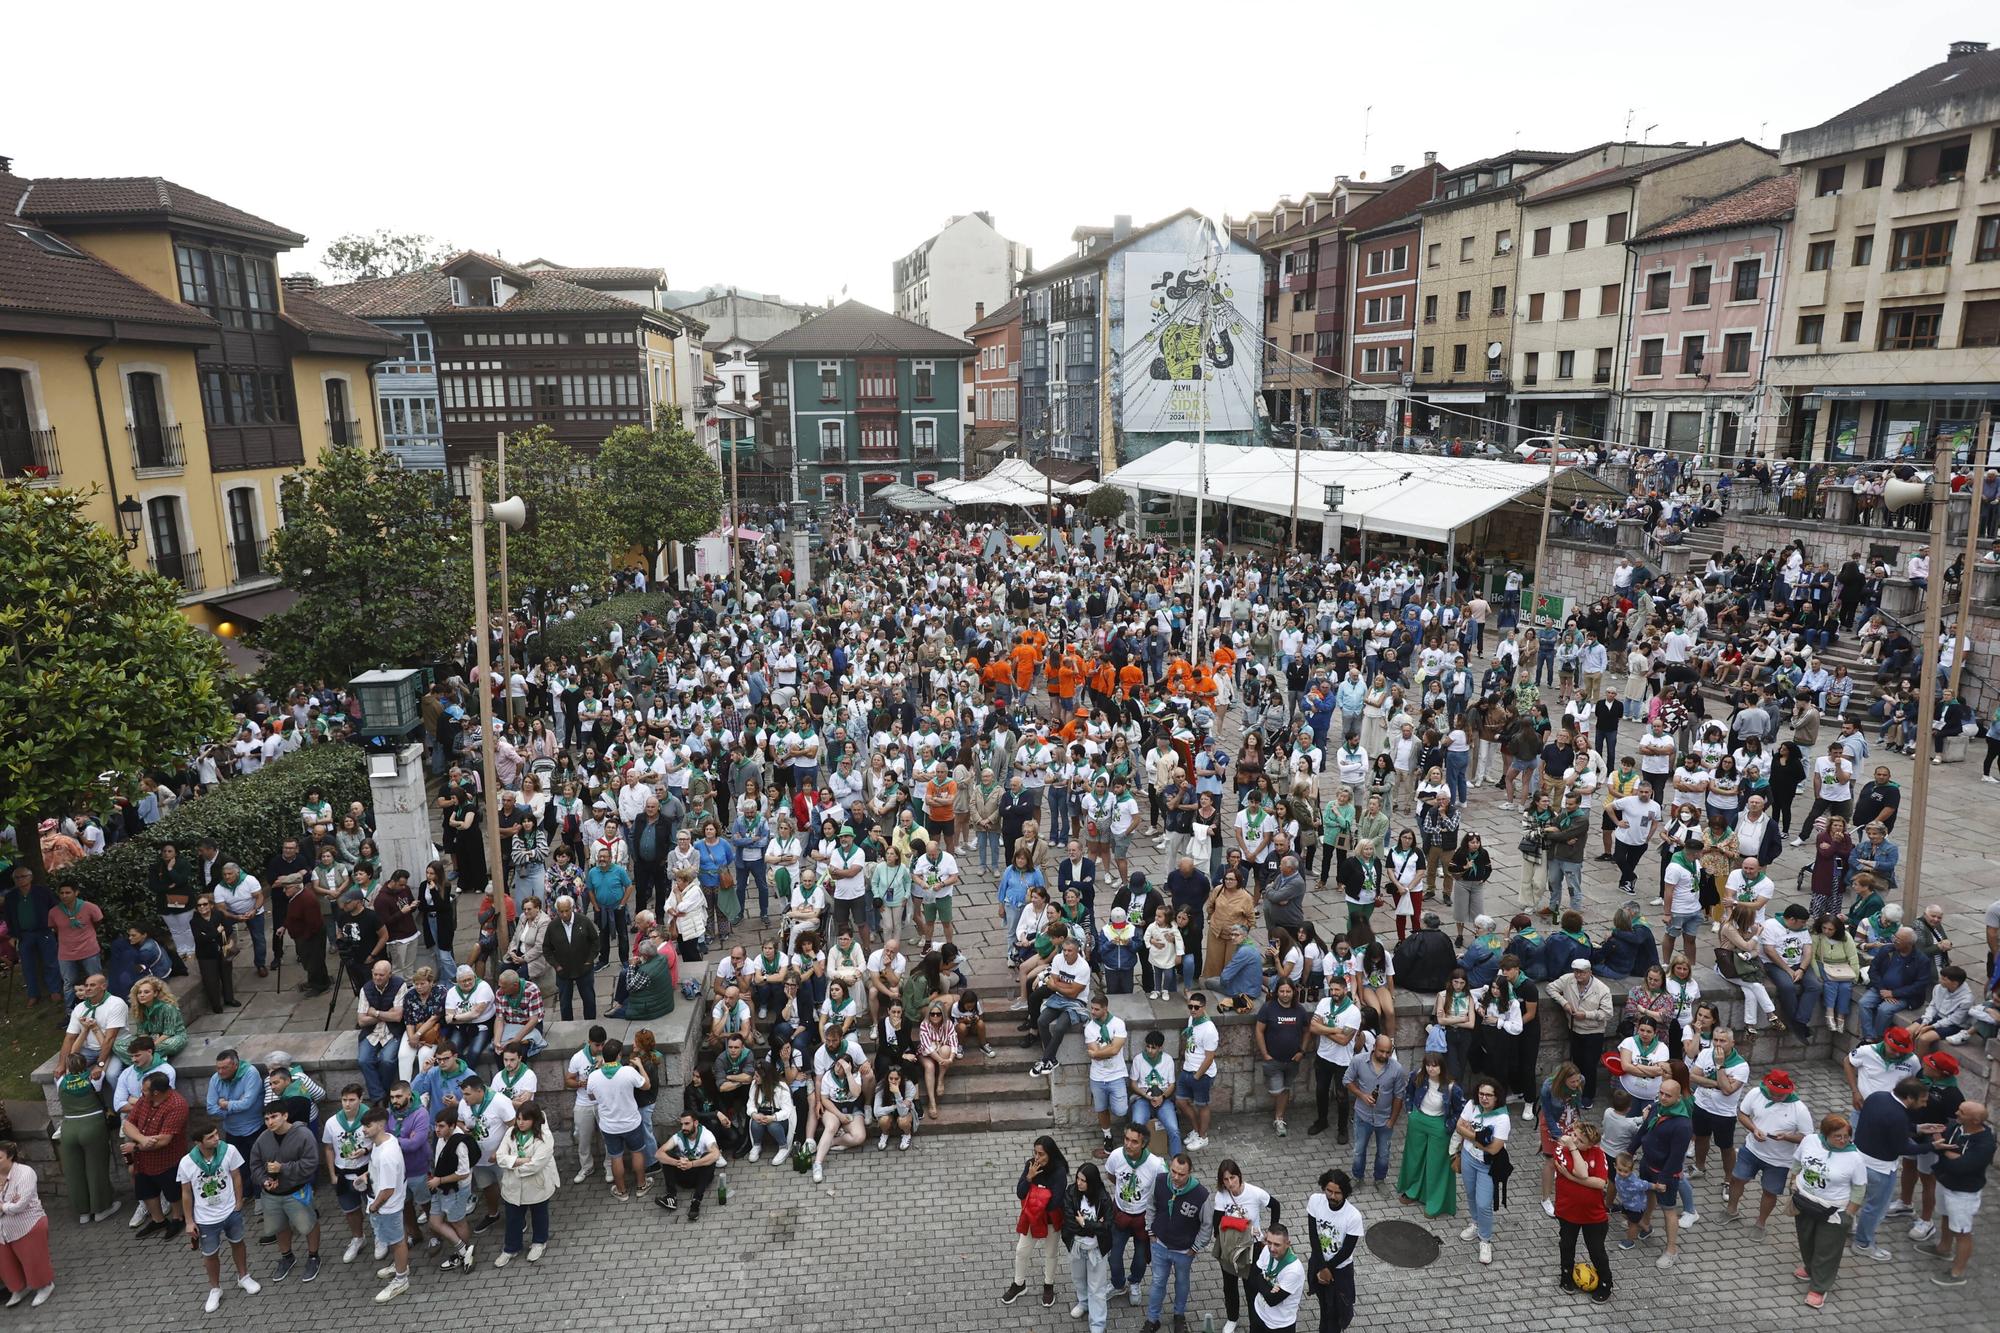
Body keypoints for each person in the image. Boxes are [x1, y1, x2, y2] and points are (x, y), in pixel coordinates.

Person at [175, 1114, 260, 1313]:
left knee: (238, 1243)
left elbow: (236, 1176)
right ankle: (215, 1289)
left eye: (216, 1134)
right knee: (210, 1255)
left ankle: (244, 1276)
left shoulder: (228, 1150)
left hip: (230, 1211)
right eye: (211, 1137)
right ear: (198, 1142)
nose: (217, 1139)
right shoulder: (187, 1162)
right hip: (205, 1218)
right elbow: (186, 1193)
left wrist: (239, 1202)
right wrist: (189, 1221)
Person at [1790, 1112, 1868, 1311]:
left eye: (1846, 1135)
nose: (1843, 1140)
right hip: (1805, 1202)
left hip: (1834, 1210)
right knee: (1806, 1240)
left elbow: (1859, 1188)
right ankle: (1809, 1268)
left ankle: (1819, 1287)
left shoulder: (1855, 1158)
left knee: (1827, 1249)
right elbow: (1798, 1162)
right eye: (1838, 1136)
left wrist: (1849, 1214)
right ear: (1825, 1134)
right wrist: (1793, 1181)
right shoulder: (1809, 1141)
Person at [246, 1101, 320, 1283]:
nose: (270, 1122)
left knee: (308, 1225)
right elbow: (254, 1165)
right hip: (272, 1195)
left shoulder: (303, 1135)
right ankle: (287, 1257)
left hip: (297, 1192)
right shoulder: (263, 1139)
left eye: (274, 1117)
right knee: (279, 1226)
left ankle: (313, 1256)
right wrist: (264, 1180)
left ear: (285, 1116)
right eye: (266, 1118)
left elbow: (311, 1163)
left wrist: (283, 1168)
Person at [1726, 1069, 1812, 1225]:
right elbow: (1742, 1114)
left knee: (1770, 1192)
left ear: (1788, 1091)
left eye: (1779, 1095)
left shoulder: (1799, 1109)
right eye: (1772, 1093)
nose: (1775, 1096)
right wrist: (1754, 1129)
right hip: (1751, 1150)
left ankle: (1760, 1223)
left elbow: (1807, 1137)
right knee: (1737, 1179)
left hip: (1779, 1161)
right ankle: (1731, 1210)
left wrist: (1787, 1137)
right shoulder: (1755, 1093)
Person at [1923, 1099, 1994, 1287]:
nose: (1956, 1113)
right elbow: (1940, 1148)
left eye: (1962, 1112)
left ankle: (1957, 1273)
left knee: (1962, 1231)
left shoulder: (1985, 1143)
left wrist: (1944, 1152)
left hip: (1963, 1193)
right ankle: (1943, 1248)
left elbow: (1963, 1167)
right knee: (1945, 1216)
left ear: (1975, 1120)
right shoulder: (1956, 1127)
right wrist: (1947, 1152)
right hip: (1945, 1182)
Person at [1140, 1152, 1210, 1333]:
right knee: (1157, 1282)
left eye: (1181, 1174)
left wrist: (1195, 1247)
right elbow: (1150, 1206)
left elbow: (1207, 1225)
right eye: (1173, 1171)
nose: (1176, 1177)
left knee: (1182, 1282)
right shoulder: (1160, 1181)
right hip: (1159, 1244)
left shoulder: (1201, 1195)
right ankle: (1152, 1319)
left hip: (1184, 1251)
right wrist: (1150, 1231)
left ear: (1190, 1173)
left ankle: (1179, 1316)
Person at [1209, 1158, 1278, 1332]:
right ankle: (1232, 1318)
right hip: (1230, 1248)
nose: (1230, 1183)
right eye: (1225, 1179)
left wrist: (1270, 1234)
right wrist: (1242, 1228)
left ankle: (1255, 1321)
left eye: (1232, 1178)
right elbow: (1217, 1223)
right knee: (1229, 1285)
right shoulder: (1221, 1196)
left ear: (1239, 1176)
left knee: (1251, 1287)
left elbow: (1275, 1205)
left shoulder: (1254, 1193)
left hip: (1252, 1248)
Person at [1551, 1121, 1613, 1306]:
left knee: (1596, 1250)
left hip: (1594, 1214)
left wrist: (1570, 1177)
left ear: (1590, 1145)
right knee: (1567, 1244)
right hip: (1567, 1211)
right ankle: (1566, 1275)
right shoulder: (1562, 1149)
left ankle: (1606, 1283)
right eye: (1574, 1135)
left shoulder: (1598, 1153)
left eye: (1580, 1140)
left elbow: (1598, 1182)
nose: (1574, 1139)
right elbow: (1585, 1174)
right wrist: (1572, 1148)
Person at [1003, 1135, 1069, 1310]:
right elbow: (1020, 1192)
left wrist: (1037, 1195)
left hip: (1050, 1219)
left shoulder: (1059, 1171)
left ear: (1050, 1154)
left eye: (1041, 1154)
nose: (1037, 1158)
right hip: (1032, 1218)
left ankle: (1048, 1285)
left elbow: (1055, 1202)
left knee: (1050, 1253)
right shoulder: (1030, 1166)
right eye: (1035, 1153)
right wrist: (1029, 1179)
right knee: (1021, 1251)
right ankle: (1019, 1284)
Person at [1454, 1075, 1509, 1264]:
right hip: (1469, 1158)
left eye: (1488, 1095)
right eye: (1481, 1094)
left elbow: (1494, 1148)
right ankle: (1475, 1223)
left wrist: (1470, 1135)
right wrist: (1477, 1138)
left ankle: (1485, 1240)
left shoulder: (1502, 1118)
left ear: (1496, 1097)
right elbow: (1458, 1126)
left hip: (1488, 1165)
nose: (1484, 1098)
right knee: (1470, 1194)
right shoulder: (1472, 1105)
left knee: (1484, 1203)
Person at [587, 1037, 651, 1200]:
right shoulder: (628, 1072)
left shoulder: (594, 1076)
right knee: (637, 1152)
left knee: (616, 1156)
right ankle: (641, 1185)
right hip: (631, 1122)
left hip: (609, 1125)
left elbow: (591, 1097)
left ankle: (622, 1191)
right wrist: (641, 1067)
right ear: (618, 1055)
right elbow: (646, 1085)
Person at [360, 1106, 411, 1303]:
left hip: (387, 1207)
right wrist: (367, 1176)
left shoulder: (387, 1155)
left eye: (368, 1125)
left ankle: (401, 1279)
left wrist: (374, 1207)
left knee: (397, 1242)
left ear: (381, 1125)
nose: (363, 1129)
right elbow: (379, 1172)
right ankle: (401, 1266)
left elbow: (388, 1190)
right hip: (386, 1203)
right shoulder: (384, 1141)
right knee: (396, 1239)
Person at [1344, 1033, 1404, 1190]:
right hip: (1362, 1116)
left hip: (1384, 1118)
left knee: (1384, 1153)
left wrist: (1392, 1120)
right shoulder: (1359, 1061)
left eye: (1388, 1052)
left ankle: (1380, 1180)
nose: (1384, 1055)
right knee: (1359, 1150)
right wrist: (1362, 1095)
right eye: (1381, 1051)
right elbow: (1347, 1080)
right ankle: (1357, 1177)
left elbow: (1399, 1097)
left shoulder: (1397, 1069)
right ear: (1374, 1048)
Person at [0, 1139, 55, 1309]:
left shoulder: (25, 1173)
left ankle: (44, 1285)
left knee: (33, 1258)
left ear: (10, 1157)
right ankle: (17, 1288)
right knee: (4, 1261)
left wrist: (4, 1206)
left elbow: (19, 1205)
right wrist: (8, 1205)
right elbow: (12, 1205)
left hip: (28, 1224)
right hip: (3, 1229)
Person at [1063, 1161, 1115, 1333]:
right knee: (1078, 1279)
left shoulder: (1103, 1198)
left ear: (1091, 1182)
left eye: (1083, 1180)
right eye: (1078, 1178)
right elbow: (1070, 1223)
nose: (1078, 1183)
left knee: (1097, 1288)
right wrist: (1093, 1226)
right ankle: (1083, 1303)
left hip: (1096, 1250)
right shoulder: (1071, 1193)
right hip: (1077, 1247)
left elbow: (1107, 1226)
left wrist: (1085, 1223)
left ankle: (1098, 1324)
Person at [653, 1109, 721, 1221]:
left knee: (708, 1157)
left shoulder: (706, 1135)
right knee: (667, 1156)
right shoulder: (679, 1136)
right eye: (682, 1124)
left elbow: (716, 1154)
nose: (683, 1127)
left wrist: (692, 1164)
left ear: (695, 1123)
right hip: (683, 1174)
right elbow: (658, 1154)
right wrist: (676, 1162)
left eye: (687, 1124)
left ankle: (696, 1202)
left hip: (701, 1175)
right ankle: (671, 1197)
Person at [1175, 991, 1221, 1151]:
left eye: (1196, 1007)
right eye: (1190, 1006)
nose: (1193, 1010)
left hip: (1201, 1074)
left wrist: (1197, 1076)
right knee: (1181, 1101)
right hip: (1188, 1068)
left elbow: (1209, 1057)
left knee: (1202, 1105)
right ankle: (1196, 1130)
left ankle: (1203, 1136)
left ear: (1203, 1008)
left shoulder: (1209, 1030)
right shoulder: (1192, 1020)